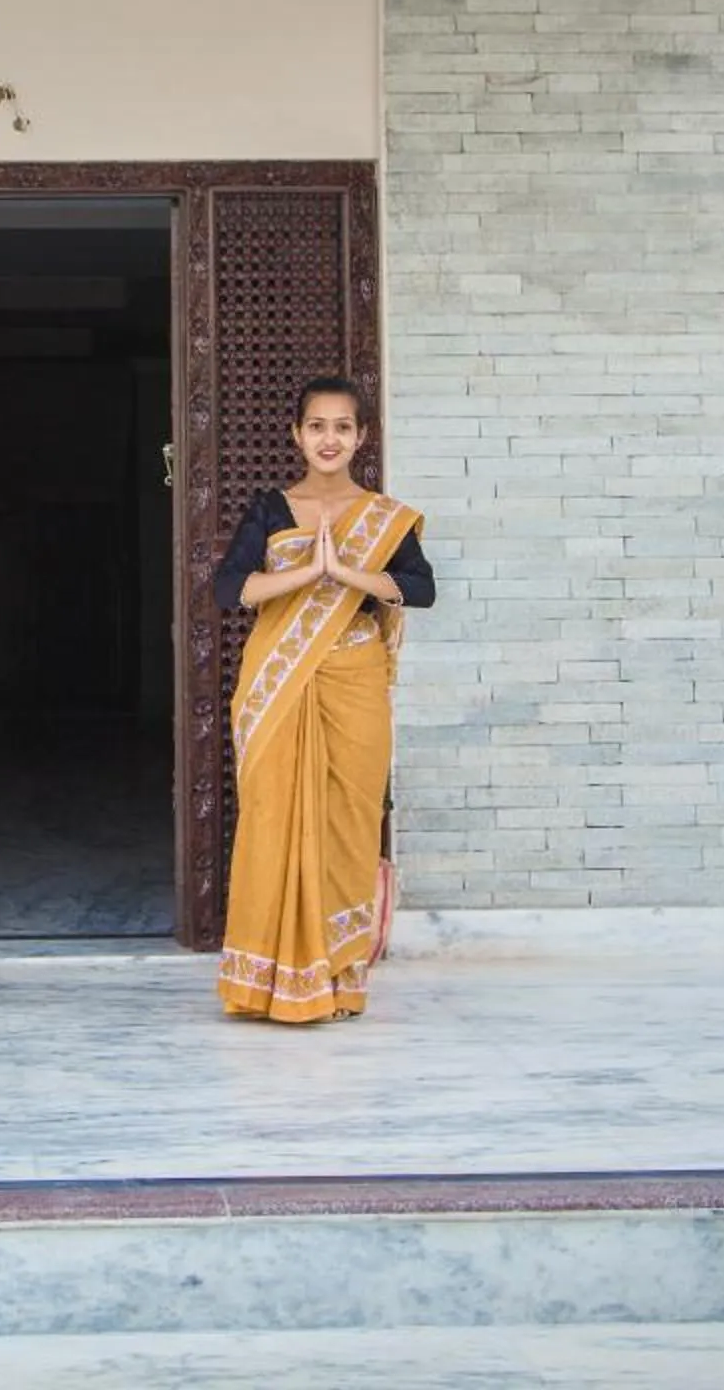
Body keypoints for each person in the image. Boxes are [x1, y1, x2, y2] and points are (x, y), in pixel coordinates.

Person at [209, 374, 433, 1023]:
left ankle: (338, 975)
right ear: (297, 435)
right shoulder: (271, 508)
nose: (328, 439)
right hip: (280, 684)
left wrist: (347, 572)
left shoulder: (385, 520)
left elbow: (418, 590)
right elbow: (230, 590)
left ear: (361, 436)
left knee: (347, 824)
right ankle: (267, 984)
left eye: (342, 427)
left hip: (354, 684)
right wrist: (306, 573)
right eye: (317, 426)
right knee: (273, 817)